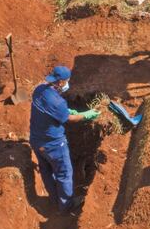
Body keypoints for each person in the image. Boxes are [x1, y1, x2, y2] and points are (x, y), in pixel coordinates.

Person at [29, 66, 99, 213]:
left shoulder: (39, 90)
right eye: (66, 81)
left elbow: (48, 109)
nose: (67, 84)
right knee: (64, 174)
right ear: (60, 82)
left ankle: (54, 199)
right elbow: (70, 119)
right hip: (54, 145)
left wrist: (66, 111)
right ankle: (66, 207)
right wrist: (88, 114)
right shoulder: (58, 102)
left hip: (36, 140)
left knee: (46, 170)